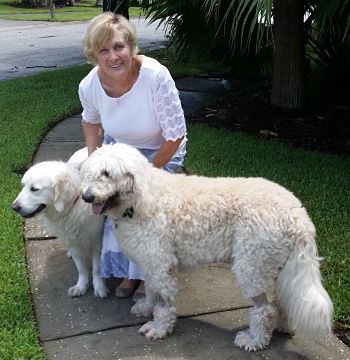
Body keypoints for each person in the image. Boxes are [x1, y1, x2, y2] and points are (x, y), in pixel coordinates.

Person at [78, 12, 187, 302]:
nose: (113, 57)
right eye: (103, 50)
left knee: (144, 208)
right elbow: (90, 122)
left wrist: (146, 173)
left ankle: (145, 277)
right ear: (94, 54)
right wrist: (94, 163)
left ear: (131, 47)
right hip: (119, 151)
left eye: (118, 47)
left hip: (161, 150)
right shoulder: (89, 85)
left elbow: (175, 134)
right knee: (113, 204)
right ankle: (128, 271)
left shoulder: (155, 76)